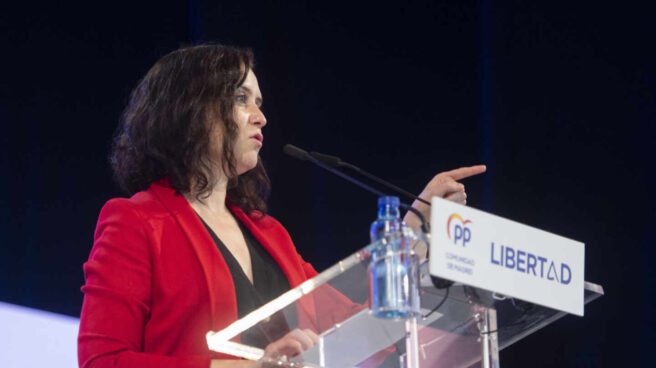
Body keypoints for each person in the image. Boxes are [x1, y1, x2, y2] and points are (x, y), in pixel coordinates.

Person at [77, 44, 486, 368]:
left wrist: (414, 227)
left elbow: (363, 336)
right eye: (242, 99)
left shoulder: (271, 235)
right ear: (192, 108)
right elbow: (103, 361)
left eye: (260, 102)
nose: (261, 118)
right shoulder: (137, 221)